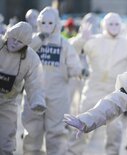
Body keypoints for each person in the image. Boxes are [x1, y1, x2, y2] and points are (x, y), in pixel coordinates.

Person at [21, 7, 85, 155]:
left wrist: (80, 71)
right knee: (32, 130)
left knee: (56, 131)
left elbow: (73, 64)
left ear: (56, 24)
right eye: (43, 22)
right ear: (38, 23)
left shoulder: (64, 44)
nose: (47, 26)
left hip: (57, 94)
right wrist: (39, 39)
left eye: (50, 23)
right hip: (33, 93)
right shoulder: (33, 41)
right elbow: (22, 55)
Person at [67, 12, 127, 155]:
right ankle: (73, 152)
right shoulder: (93, 40)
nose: (114, 27)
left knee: (114, 130)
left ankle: (112, 153)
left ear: (121, 26)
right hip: (92, 88)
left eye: (117, 24)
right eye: (110, 23)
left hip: (114, 92)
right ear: (104, 25)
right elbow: (70, 50)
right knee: (81, 124)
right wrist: (81, 39)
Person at [0, 22, 46, 154]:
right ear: (8, 35)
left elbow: (35, 82)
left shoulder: (31, 58)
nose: (14, 43)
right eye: (13, 38)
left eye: (19, 42)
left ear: (26, 44)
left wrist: (38, 100)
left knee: (6, 141)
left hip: (8, 103)